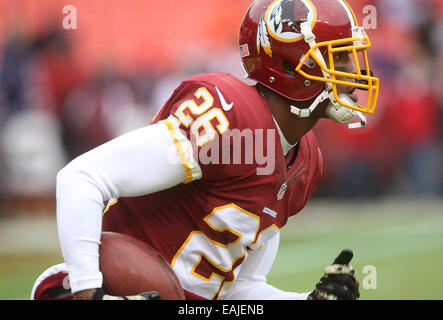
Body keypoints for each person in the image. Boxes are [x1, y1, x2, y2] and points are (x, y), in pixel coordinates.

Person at [31, 0, 379, 300]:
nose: (353, 70)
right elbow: (82, 178)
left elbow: (241, 290)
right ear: (290, 66)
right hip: (120, 286)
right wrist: (88, 289)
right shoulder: (231, 117)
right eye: (341, 57)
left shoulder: (306, 161)